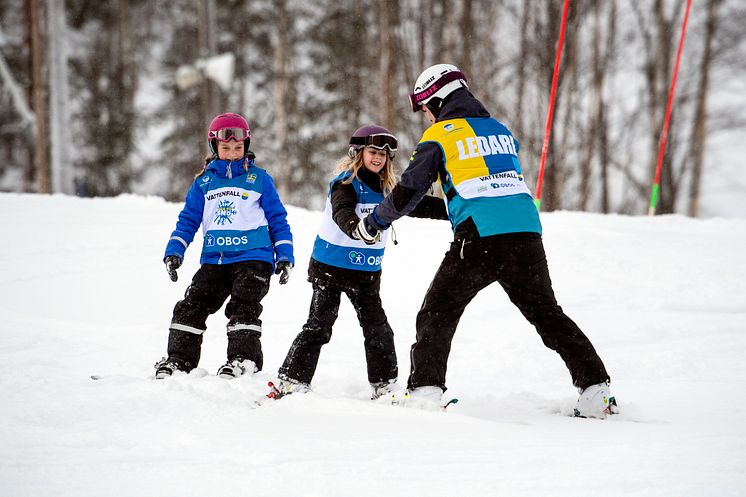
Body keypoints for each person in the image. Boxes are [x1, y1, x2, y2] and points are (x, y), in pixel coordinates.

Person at [355, 64, 616, 418]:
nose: (427, 118)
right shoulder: (500, 129)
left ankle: (425, 390)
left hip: (480, 235)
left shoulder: (441, 135)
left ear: (437, 99)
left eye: (425, 109)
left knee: (438, 311)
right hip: (526, 232)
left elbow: (410, 188)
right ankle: (596, 390)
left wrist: (375, 221)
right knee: (547, 314)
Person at [270, 124, 448, 400]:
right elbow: (342, 212)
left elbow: (420, 205)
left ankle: (385, 383)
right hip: (330, 267)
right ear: (358, 152)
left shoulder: (390, 190)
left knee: (377, 328)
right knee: (319, 324)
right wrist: (356, 227)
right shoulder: (345, 183)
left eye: (384, 155)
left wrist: (459, 209)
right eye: (373, 152)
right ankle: (292, 379)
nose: (378, 158)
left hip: (365, 272)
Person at [154, 112, 294, 379]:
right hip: (216, 261)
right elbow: (188, 220)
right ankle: (178, 361)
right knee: (191, 305)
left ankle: (243, 361)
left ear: (246, 146)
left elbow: (278, 219)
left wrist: (284, 254)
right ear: (214, 147)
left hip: (254, 258)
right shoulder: (204, 183)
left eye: (238, 148)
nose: (232, 153)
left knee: (244, 304)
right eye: (226, 148)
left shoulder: (259, 179)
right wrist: (175, 251)